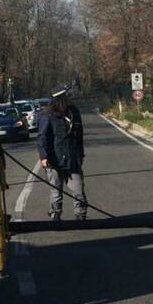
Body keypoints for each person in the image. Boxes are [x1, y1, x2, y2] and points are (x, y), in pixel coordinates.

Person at [37, 85, 87, 221]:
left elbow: (79, 135)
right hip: (54, 159)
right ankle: (55, 214)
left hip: (72, 158)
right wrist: (43, 156)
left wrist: (80, 154)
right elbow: (42, 137)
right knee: (56, 190)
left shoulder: (74, 113)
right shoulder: (47, 116)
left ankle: (80, 214)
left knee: (78, 189)